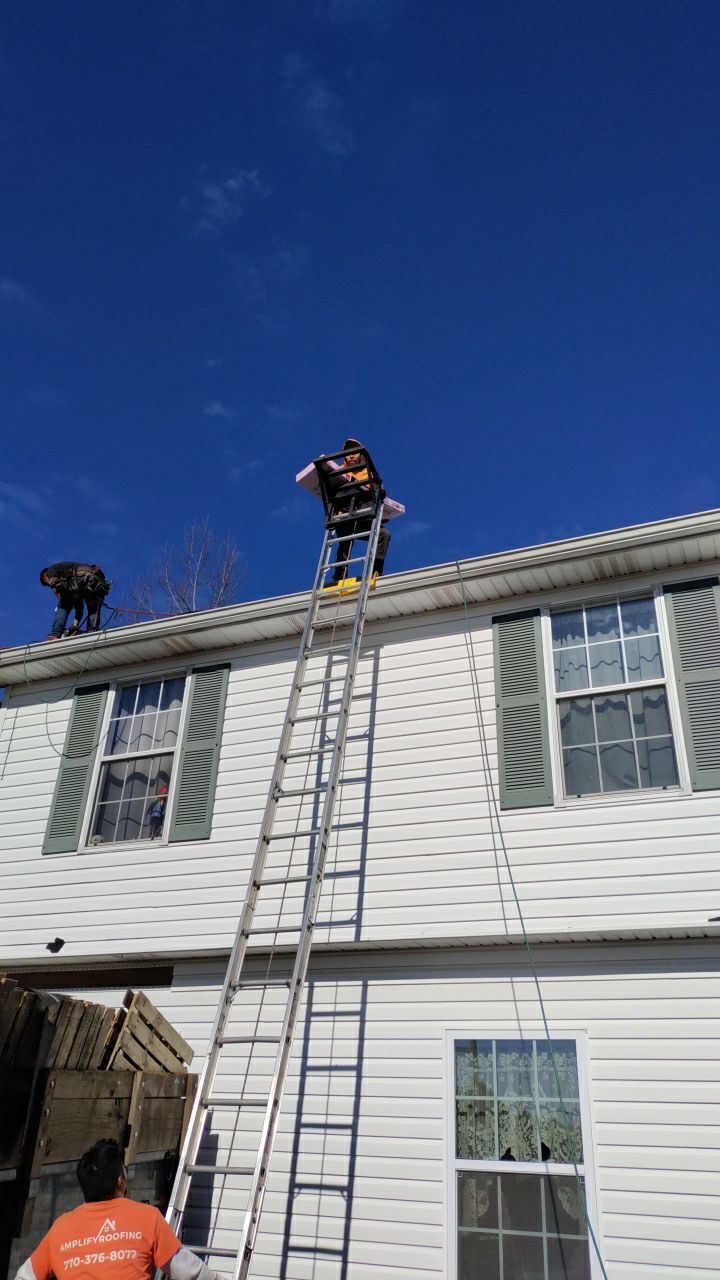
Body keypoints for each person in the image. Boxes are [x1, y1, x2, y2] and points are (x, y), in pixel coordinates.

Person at [14, 1138, 220, 1280]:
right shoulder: (146, 1217)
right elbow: (187, 1271)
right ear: (120, 1182)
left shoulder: (61, 1228)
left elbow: (25, 1276)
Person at [328, 438, 390, 585]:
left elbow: (379, 495)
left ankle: (375, 571)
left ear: (360, 455)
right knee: (345, 538)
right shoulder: (337, 472)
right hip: (345, 517)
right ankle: (339, 576)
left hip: (363, 517)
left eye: (354, 453)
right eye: (347, 453)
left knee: (384, 535)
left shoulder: (369, 473)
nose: (350, 456)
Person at [40, 562, 111, 640]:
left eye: (46, 582)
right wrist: (75, 625)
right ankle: (92, 631)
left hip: (78, 577)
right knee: (93, 607)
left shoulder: (50, 570)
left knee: (63, 606)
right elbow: (79, 608)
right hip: (94, 580)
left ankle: (55, 634)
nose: (48, 585)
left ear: (45, 575)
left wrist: (57, 589)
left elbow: (54, 581)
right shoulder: (75, 591)